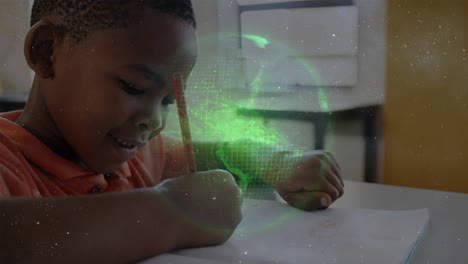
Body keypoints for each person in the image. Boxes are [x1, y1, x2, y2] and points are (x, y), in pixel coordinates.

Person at [0, 0, 344, 263]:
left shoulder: (130, 156)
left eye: (166, 100)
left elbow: (223, 150)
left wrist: (277, 160)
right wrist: (170, 213)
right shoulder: (8, 162)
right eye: (134, 87)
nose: (154, 120)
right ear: (46, 52)